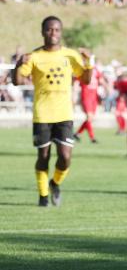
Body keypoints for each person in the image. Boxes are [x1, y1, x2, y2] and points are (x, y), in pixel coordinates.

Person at [13, 16, 94, 207]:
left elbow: (86, 80)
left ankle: (55, 183)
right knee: (43, 157)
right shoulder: (34, 57)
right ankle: (42, 195)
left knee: (65, 157)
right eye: (49, 30)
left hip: (64, 114)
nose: (53, 33)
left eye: (57, 30)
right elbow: (17, 81)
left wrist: (88, 63)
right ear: (42, 32)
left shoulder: (70, 55)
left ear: (61, 32)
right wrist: (18, 64)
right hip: (42, 114)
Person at [74, 63, 103, 143]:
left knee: (90, 118)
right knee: (89, 117)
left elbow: (100, 80)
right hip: (86, 96)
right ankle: (92, 137)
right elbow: (76, 82)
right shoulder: (83, 70)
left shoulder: (96, 69)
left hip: (94, 97)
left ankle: (77, 134)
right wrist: (75, 95)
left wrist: (105, 90)